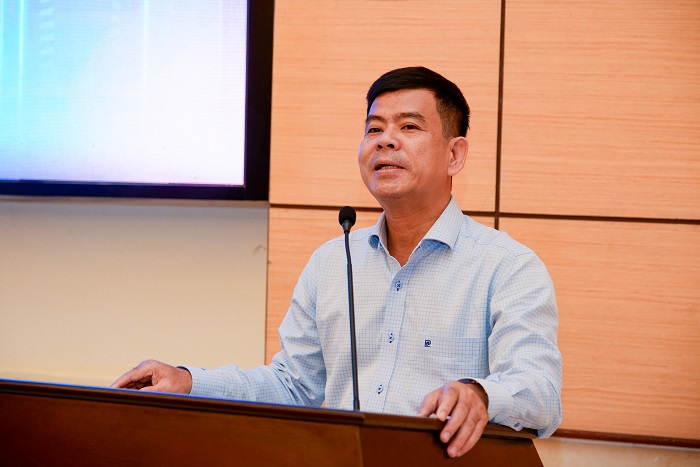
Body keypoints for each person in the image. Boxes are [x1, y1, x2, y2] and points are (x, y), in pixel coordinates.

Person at [112, 66, 562, 458]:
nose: (385, 140)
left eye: (409, 126)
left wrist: (480, 394)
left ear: (454, 154)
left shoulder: (507, 267)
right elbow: (293, 386)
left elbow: (541, 393)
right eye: (374, 129)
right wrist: (190, 382)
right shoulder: (332, 262)